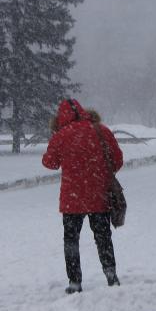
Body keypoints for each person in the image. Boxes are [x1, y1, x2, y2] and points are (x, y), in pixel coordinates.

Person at [42, 99, 124, 294]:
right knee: (103, 237)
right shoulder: (101, 130)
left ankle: (75, 282)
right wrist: (99, 173)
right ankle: (111, 274)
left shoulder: (61, 135)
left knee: (71, 241)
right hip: (100, 195)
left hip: (72, 200)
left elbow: (49, 163)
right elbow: (117, 160)